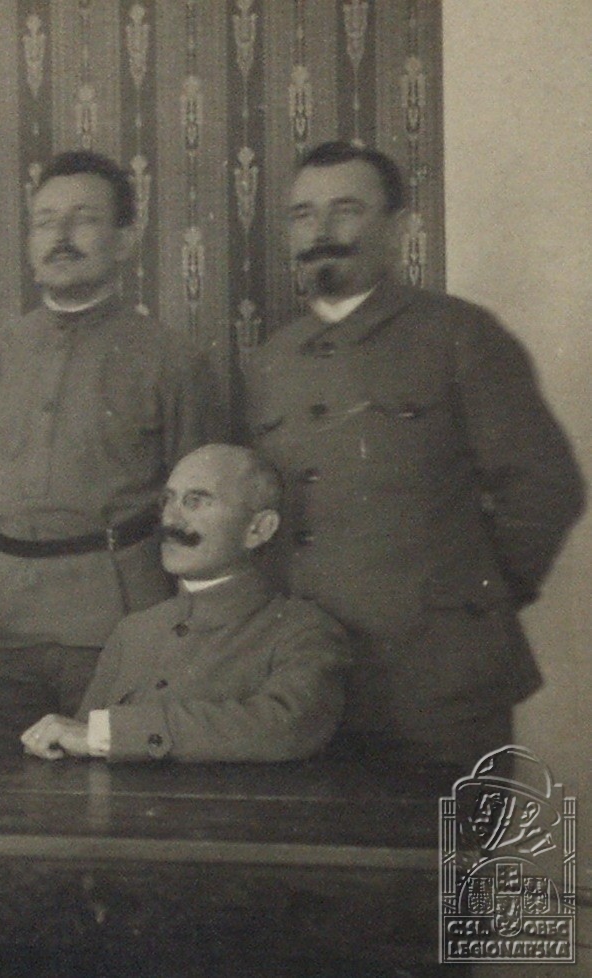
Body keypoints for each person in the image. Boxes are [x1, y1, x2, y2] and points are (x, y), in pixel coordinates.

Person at [244, 141, 585, 766]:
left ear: (397, 227)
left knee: (451, 833)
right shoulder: (271, 361)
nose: (320, 232)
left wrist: (472, 599)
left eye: (346, 209)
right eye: (302, 214)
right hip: (311, 686)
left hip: (440, 684)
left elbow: (546, 486)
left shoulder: (460, 335)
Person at [0, 150, 223, 754]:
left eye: (83, 219)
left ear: (125, 240)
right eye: (45, 221)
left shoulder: (171, 359)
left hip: (116, 624)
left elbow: (200, 517)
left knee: (108, 796)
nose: (61, 236)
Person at [22, 445, 346, 763]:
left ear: (259, 529)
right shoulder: (133, 632)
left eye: (195, 502)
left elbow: (288, 727)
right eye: (168, 501)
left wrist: (110, 733)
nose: (170, 520)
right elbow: (82, 746)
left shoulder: (303, 631)